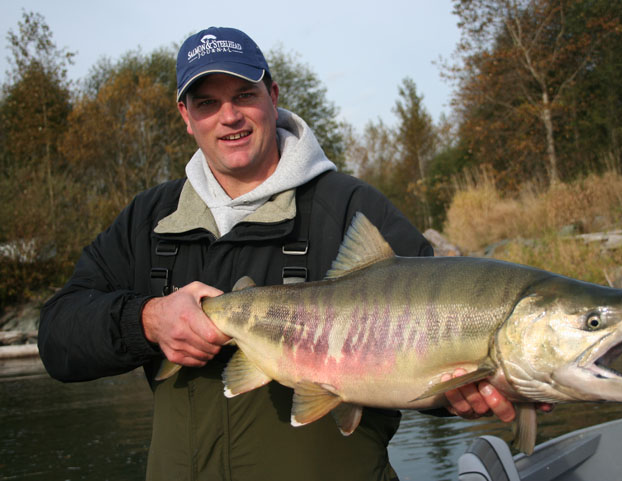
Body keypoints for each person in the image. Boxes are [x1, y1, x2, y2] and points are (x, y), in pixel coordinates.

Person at [38, 26, 519, 480]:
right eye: (208, 103)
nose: (229, 116)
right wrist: (146, 320)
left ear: (272, 96)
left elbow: (437, 353)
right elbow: (58, 339)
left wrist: (460, 394)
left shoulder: (350, 208)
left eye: (244, 94)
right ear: (186, 117)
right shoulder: (149, 220)